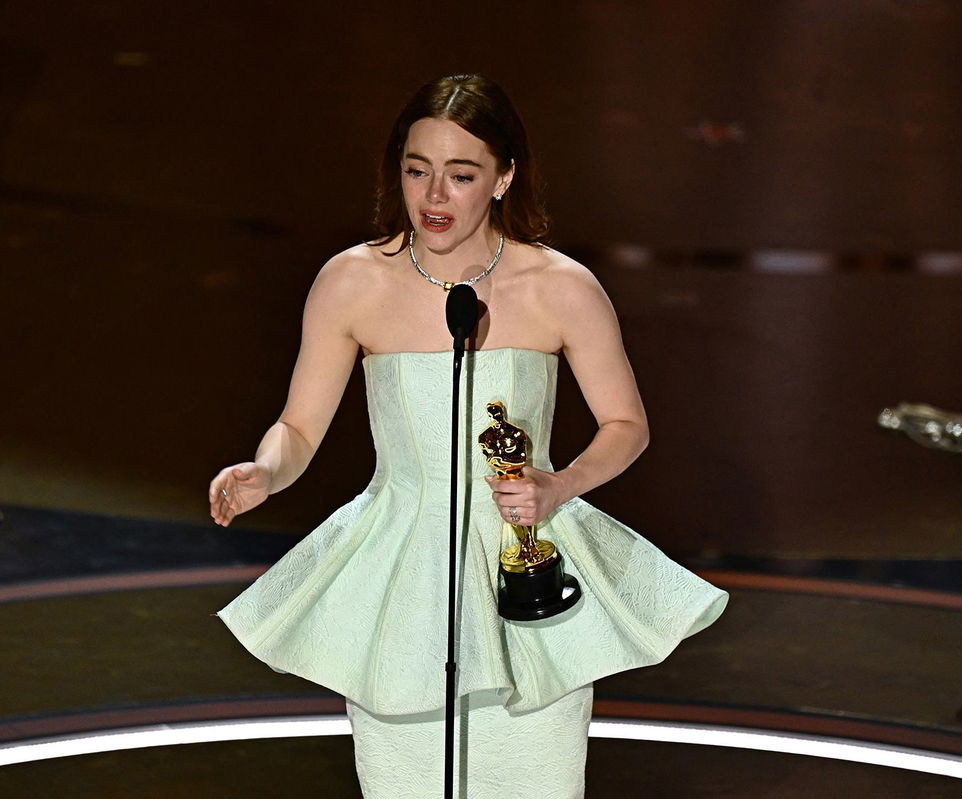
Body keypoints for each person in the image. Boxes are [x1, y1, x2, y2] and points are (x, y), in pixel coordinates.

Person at [209, 74, 727, 799]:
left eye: (461, 175)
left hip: (527, 568)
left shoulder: (560, 287)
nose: (433, 197)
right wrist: (265, 470)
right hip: (399, 574)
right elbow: (297, 426)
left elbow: (626, 424)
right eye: (417, 170)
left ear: (504, 177)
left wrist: (559, 484)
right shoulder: (351, 282)